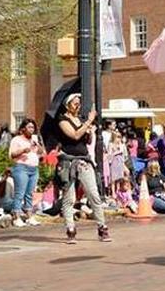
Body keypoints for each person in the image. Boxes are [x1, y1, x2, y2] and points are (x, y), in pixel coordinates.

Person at [55, 95, 111, 243]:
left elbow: (86, 140)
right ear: (68, 105)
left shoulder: (80, 119)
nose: (78, 106)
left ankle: (102, 227)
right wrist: (88, 121)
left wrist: (90, 131)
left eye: (79, 104)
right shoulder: (62, 120)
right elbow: (74, 135)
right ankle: (70, 229)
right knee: (69, 199)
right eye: (75, 104)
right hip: (68, 162)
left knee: (93, 194)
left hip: (84, 160)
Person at [8, 118, 44, 227]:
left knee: (30, 193)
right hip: (21, 168)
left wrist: (37, 145)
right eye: (29, 127)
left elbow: (42, 152)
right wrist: (23, 150)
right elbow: (12, 155)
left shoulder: (34, 139)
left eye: (33, 127)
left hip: (34, 168)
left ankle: (29, 215)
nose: (31, 130)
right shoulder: (17, 140)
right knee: (20, 193)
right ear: (23, 129)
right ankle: (16, 216)